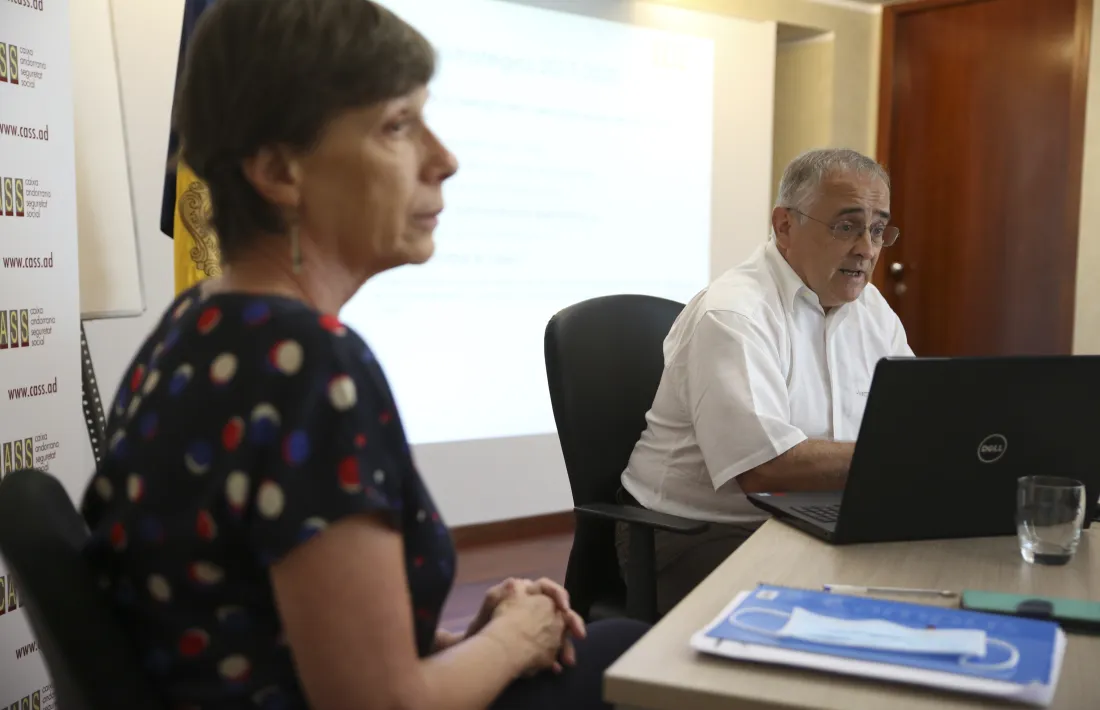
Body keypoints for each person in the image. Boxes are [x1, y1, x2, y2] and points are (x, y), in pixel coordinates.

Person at [79, 1, 647, 708]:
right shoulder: (310, 364)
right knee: (632, 656)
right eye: (399, 126)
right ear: (280, 170)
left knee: (619, 645)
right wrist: (512, 641)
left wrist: (468, 642)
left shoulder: (195, 324)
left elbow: (261, 634)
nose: (445, 159)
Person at [617, 148, 913, 615]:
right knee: (842, 613)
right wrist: (903, 457)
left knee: (931, 577)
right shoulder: (733, 312)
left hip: (817, 520)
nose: (867, 248)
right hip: (694, 533)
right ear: (785, 225)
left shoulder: (872, 310)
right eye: (847, 226)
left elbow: (910, 422)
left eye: (878, 229)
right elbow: (766, 469)